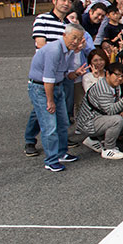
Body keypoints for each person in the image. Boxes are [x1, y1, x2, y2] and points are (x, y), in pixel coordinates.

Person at [25, 24, 86, 171]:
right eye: (74, 38)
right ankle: (51, 160)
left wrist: (77, 73)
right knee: (49, 125)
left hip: (57, 86)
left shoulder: (70, 51)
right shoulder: (54, 50)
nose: (76, 41)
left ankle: (61, 153)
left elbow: (67, 75)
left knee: (63, 122)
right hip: (42, 88)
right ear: (65, 35)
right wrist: (50, 100)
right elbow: (48, 79)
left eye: (79, 39)